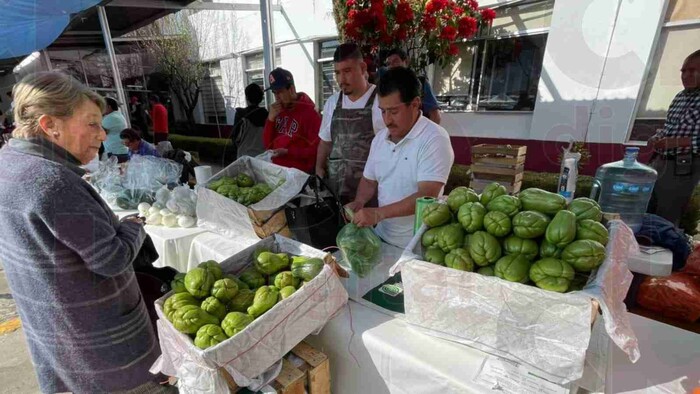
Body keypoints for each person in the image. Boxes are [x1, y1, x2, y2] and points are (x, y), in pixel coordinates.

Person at [0, 72, 166, 393]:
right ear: (50, 125)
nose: (103, 135)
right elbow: (112, 259)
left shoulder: (8, 162)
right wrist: (133, 225)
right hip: (104, 358)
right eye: (91, 124)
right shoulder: (52, 181)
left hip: (60, 342)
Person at [346, 67, 454, 248]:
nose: (387, 120)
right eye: (382, 111)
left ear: (415, 104)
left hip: (418, 245)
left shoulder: (434, 138)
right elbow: (369, 181)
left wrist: (378, 214)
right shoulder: (380, 139)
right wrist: (359, 201)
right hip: (382, 239)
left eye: (394, 111)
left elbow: (426, 196)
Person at [316, 43, 386, 204]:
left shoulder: (380, 102)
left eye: (347, 71)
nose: (341, 79)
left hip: (371, 194)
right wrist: (319, 169)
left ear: (362, 68)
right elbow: (325, 142)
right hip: (337, 192)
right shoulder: (333, 103)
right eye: (337, 73)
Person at [648, 49, 700, 226]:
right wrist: (657, 137)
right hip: (660, 162)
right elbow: (670, 127)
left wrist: (674, 143)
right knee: (646, 206)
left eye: (693, 70)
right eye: (683, 71)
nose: (686, 75)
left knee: (665, 216)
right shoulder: (680, 97)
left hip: (684, 166)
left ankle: (662, 252)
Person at [263, 67, 321, 173]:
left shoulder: (310, 113)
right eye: (274, 93)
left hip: (298, 176)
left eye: (280, 92)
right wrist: (270, 120)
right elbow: (267, 145)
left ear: (291, 89)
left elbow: (316, 151)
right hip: (276, 170)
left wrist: (288, 152)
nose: (277, 97)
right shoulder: (277, 111)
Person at [384, 48, 442, 124]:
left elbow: (435, 115)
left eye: (395, 61)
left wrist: (428, 134)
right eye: (388, 64)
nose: (392, 66)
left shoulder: (420, 83)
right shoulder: (386, 88)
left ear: (406, 62)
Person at [232, 83, 268, 159]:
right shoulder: (268, 115)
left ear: (247, 98)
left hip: (244, 158)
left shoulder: (240, 115)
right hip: (263, 158)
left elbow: (235, 139)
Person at [101, 96, 129, 161]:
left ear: (108, 107)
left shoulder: (111, 118)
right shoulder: (116, 115)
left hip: (117, 153)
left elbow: (98, 132)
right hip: (118, 152)